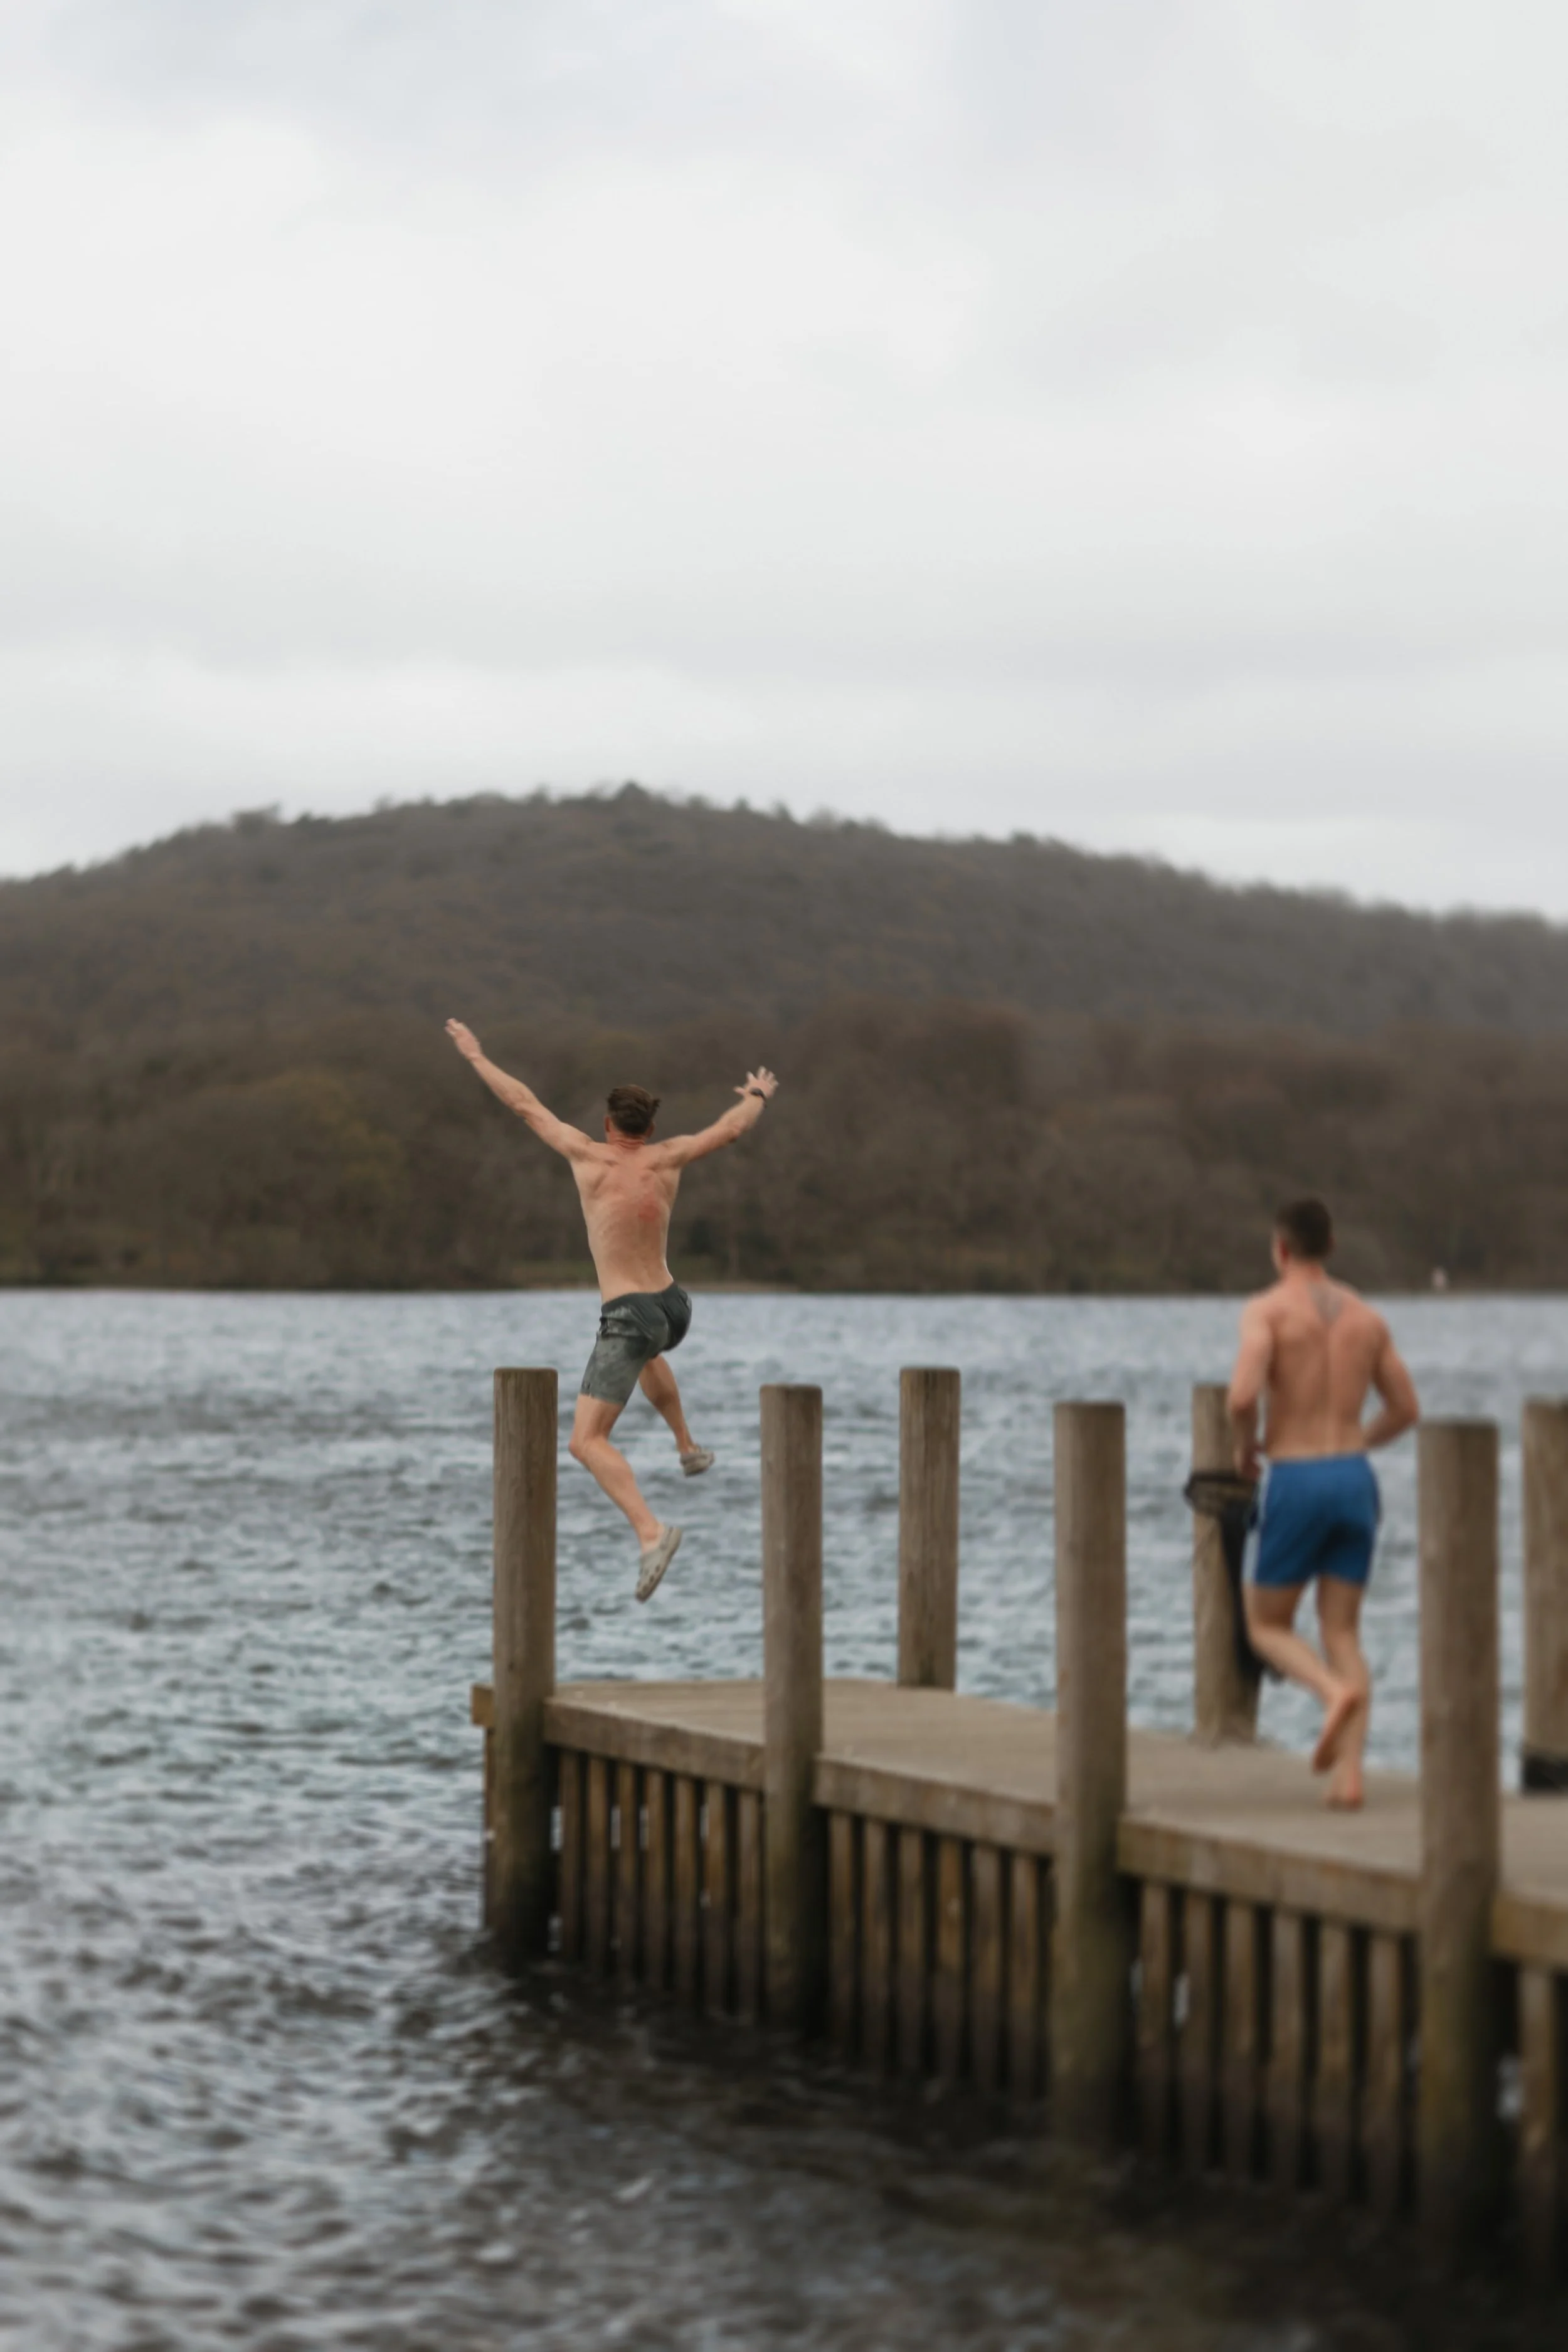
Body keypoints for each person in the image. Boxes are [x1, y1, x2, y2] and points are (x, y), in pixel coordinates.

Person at [445, 1020, 778, 1601]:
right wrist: (757, 1094)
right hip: (674, 1306)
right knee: (649, 1352)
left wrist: (476, 1056)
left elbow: (523, 1103)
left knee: (584, 1442)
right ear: (650, 1129)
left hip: (628, 1314)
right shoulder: (668, 1157)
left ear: (607, 1126)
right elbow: (730, 1131)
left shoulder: (587, 1155)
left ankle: (652, 1532)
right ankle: (687, 1446)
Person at [1226, 1197, 1419, 1809]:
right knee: (1342, 1630)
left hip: (1297, 1478)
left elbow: (1240, 1396)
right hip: (1354, 1480)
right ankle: (1350, 1778)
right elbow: (1405, 1409)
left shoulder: (1268, 1310)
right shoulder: (1366, 1317)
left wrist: (1244, 1448)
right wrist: (1354, 1441)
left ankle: (1329, 1693)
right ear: (1330, 1247)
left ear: (1280, 1249)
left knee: (1265, 1626)